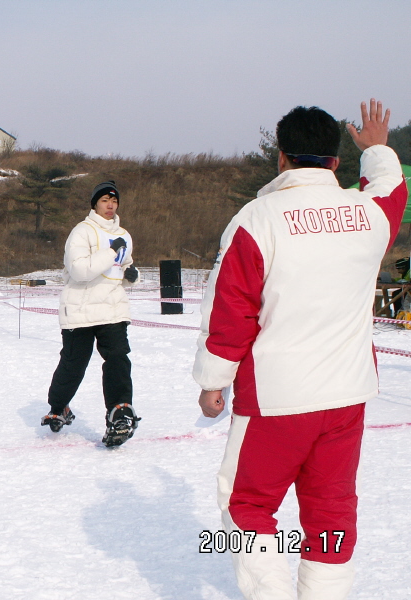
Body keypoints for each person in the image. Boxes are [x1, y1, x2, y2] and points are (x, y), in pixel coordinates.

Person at [194, 100, 407, 600]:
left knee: (247, 505)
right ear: (334, 161)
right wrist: (376, 148)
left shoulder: (257, 218)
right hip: (346, 395)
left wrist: (212, 381)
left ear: (281, 157)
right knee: (331, 510)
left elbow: (231, 310)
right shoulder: (369, 215)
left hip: (276, 398)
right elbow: (391, 190)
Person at [40, 181, 140, 447]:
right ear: (95, 203)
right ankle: (58, 405)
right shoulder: (81, 232)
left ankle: (120, 411)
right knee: (74, 362)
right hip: (80, 308)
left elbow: (124, 266)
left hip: (112, 308)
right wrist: (110, 251)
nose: (111, 205)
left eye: (114, 201)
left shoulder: (124, 235)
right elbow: (81, 271)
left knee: (118, 358)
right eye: (105, 200)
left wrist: (132, 276)